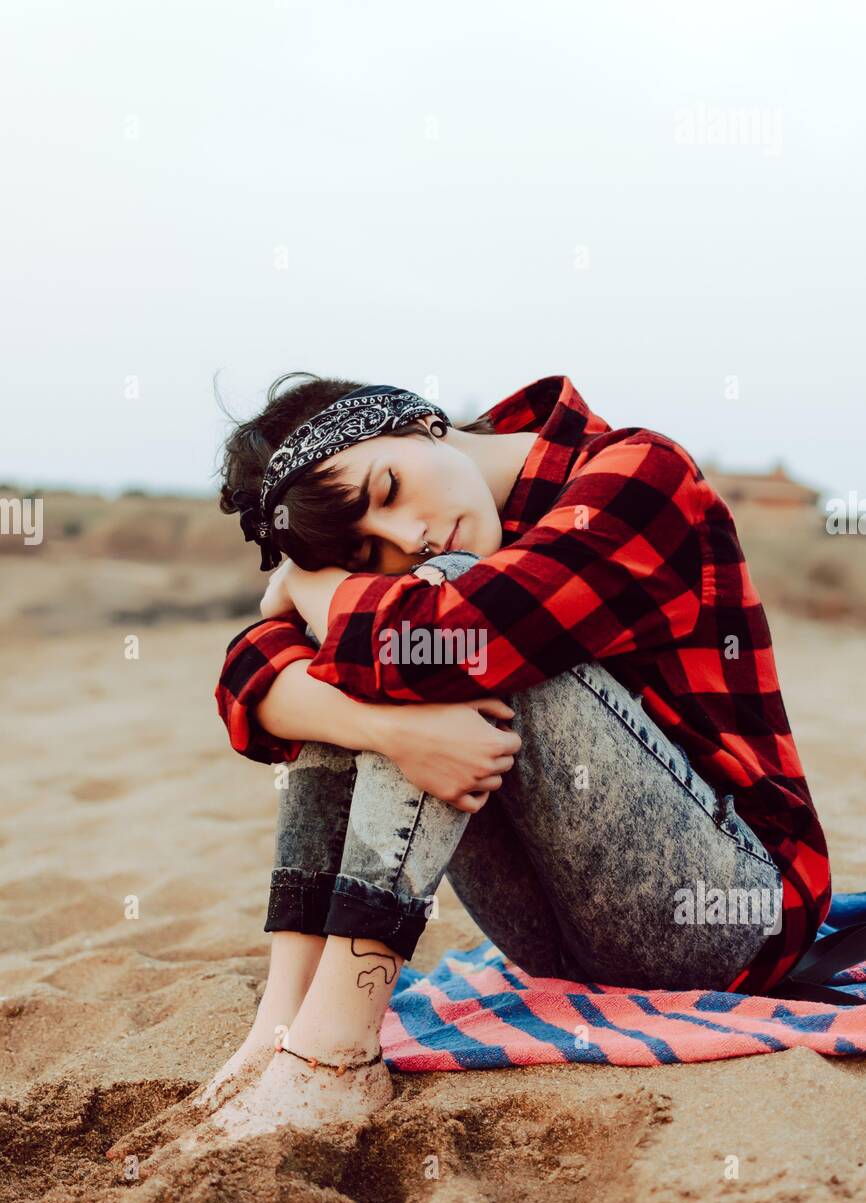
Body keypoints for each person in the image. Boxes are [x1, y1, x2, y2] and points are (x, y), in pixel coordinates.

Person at [196, 372, 831, 1140]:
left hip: (727, 917)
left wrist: (312, 589)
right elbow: (247, 679)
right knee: (384, 647)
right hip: (552, 943)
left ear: (417, 421)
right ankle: (279, 1024)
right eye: (367, 549)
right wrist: (391, 732)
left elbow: (453, 635)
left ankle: (334, 1053)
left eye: (389, 487)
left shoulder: (642, 473)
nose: (410, 539)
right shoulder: (422, 560)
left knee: (434, 617)